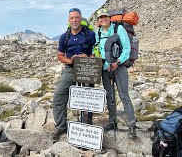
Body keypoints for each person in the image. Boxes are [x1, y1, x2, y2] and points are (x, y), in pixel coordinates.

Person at [52, 8, 96, 141]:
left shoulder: (89, 34)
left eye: (77, 18)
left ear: (81, 19)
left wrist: (87, 57)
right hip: (70, 68)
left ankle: (87, 127)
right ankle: (60, 127)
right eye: (72, 18)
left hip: (87, 68)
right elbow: (60, 56)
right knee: (59, 95)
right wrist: (70, 60)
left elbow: (96, 51)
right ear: (68, 20)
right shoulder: (64, 37)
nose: (75, 20)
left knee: (88, 98)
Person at [95, 8, 137, 139]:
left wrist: (117, 63)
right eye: (101, 17)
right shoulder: (98, 32)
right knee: (109, 96)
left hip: (118, 67)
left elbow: (126, 48)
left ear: (109, 18)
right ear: (98, 20)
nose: (103, 19)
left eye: (105, 16)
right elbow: (97, 48)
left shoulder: (118, 29)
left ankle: (132, 125)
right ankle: (112, 121)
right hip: (105, 69)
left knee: (124, 96)